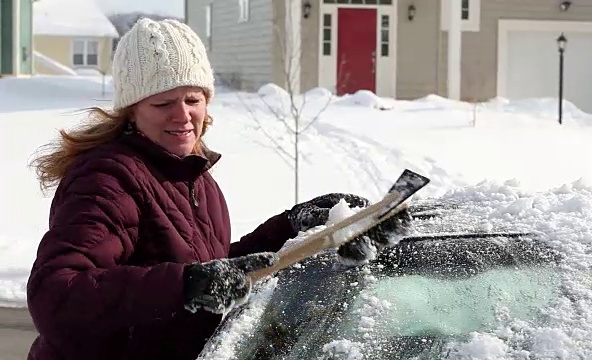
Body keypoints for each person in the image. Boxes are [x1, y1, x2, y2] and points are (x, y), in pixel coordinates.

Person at [25, 18, 411, 360]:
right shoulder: (107, 179)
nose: (182, 115)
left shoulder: (194, 178)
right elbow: (57, 295)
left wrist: (291, 226)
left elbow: (212, 266)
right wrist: (188, 285)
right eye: (162, 103)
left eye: (193, 99)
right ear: (132, 110)